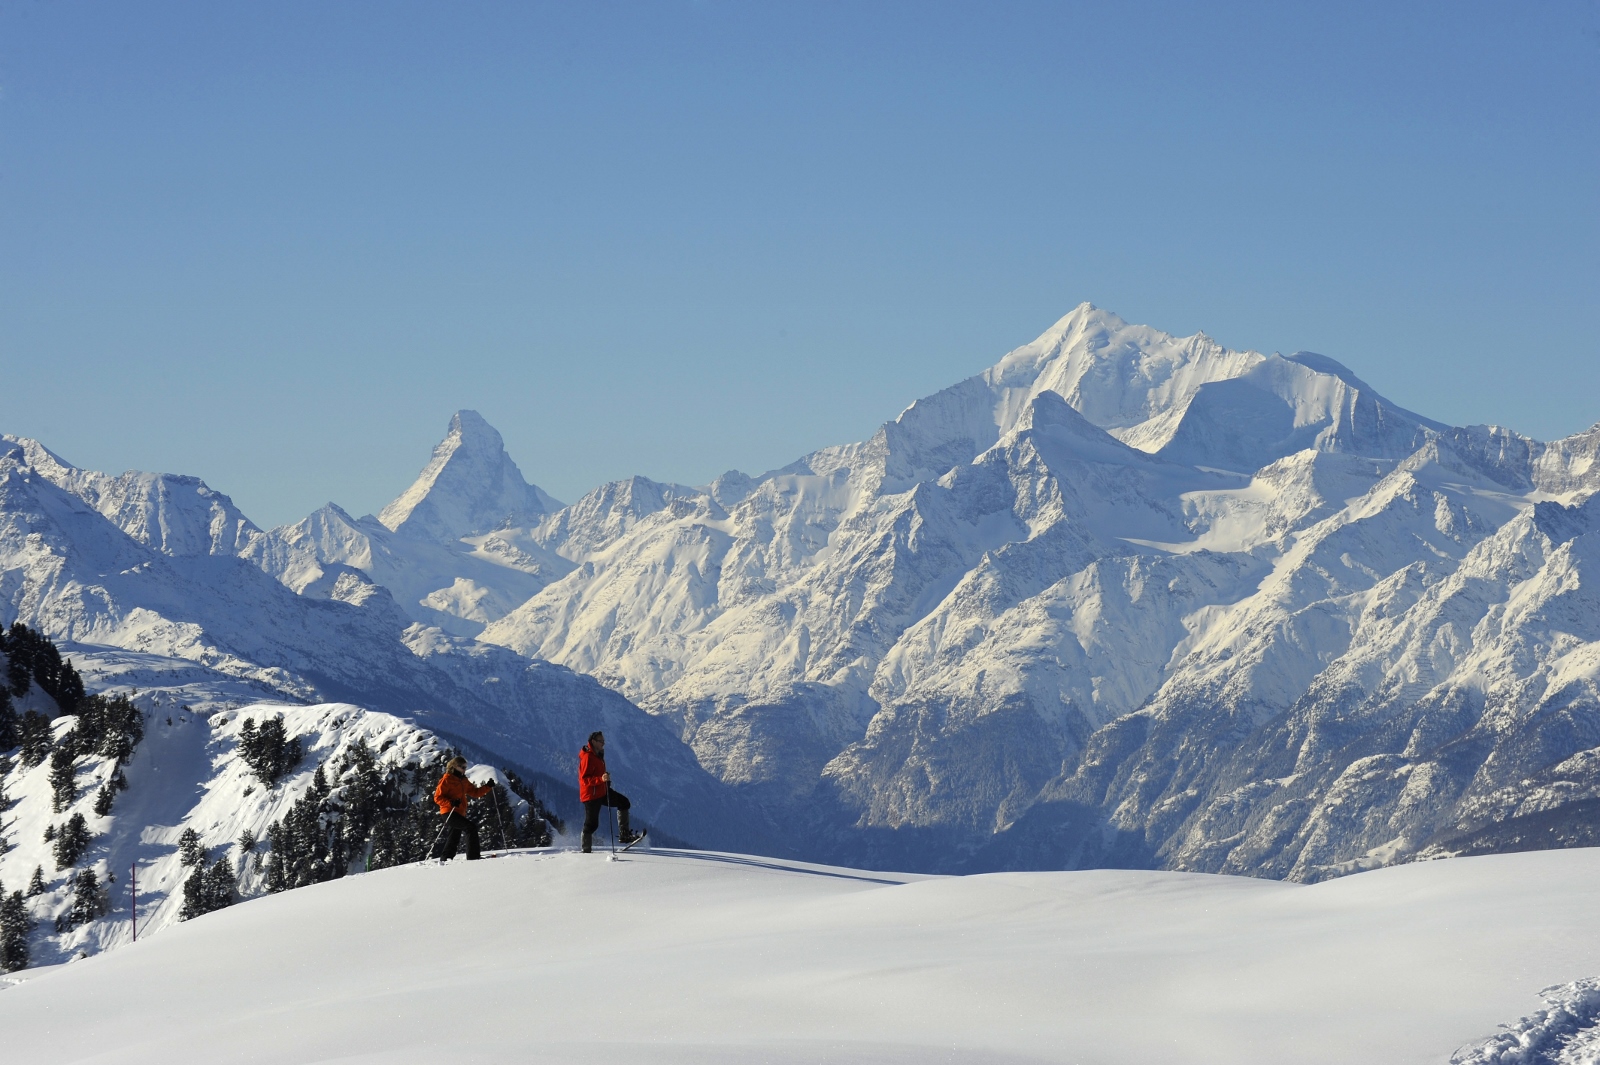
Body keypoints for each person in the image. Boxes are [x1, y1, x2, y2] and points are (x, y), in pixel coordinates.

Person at [579, 731, 641, 852]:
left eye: (604, 741)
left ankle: (624, 835)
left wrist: (604, 779)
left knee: (624, 803)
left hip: (602, 791)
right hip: (591, 795)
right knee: (591, 824)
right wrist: (600, 779)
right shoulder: (587, 757)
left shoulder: (598, 755)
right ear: (593, 742)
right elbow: (584, 780)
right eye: (601, 741)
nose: (603, 743)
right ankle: (585, 850)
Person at [433, 756, 492, 860]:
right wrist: (451, 802)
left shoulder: (463, 780)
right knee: (470, 828)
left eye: (465, 767)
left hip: (459, 812)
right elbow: (437, 798)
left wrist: (488, 786)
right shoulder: (447, 780)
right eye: (462, 767)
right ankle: (473, 857)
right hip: (448, 812)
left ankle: (445, 858)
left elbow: (474, 792)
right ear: (455, 766)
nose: (465, 769)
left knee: (454, 835)